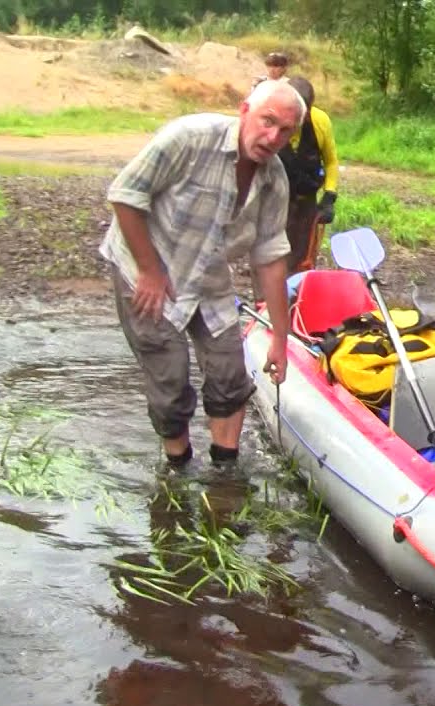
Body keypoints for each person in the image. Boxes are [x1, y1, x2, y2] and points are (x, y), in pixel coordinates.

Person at [101, 79, 305, 469]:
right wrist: (149, 270)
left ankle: (224, 473)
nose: (272, 136)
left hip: (207, 276)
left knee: (230, 375)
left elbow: (272, 256)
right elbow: (125, 194)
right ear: (245, 110)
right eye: (267, 121)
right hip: (144, 268)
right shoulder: (189, 138)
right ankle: (177, 469)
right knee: (170, 382)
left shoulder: (274, 178)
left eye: (285, 131)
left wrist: (281, 337)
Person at [278, 76, 339, 274]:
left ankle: (298, 298)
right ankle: (265, 301)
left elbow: (331, 161)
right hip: (275, 200)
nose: (302, 119)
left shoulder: (320, 122)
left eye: (306, 113)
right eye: (297, 113)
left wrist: (329, 195)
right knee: (272, 256)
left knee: (303, 257)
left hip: (306, 199)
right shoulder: (271, 123)